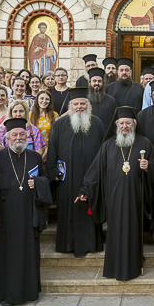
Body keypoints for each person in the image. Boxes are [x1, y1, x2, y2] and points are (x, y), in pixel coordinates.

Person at [78, 107, 154, 281]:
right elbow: (95, 171)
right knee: (115, 232)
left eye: (128, 123)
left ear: (134, 125)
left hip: (136, 198)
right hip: (113, 198)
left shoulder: (144, 143)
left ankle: (133, 266)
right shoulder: (108, 145)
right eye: (122, 123)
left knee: (133, 231)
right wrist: (85, 190)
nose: (125, 126)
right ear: (117, 125)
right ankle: (114, 267)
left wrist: (149, 167)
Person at [0, 118, 54, 306]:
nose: (18, 138)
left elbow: (46, 180)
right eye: (14, 135)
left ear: (27, 136)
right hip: (4, 217)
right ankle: (6, 294)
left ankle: (29, 292)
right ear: (7, 138)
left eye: (22, 134)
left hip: (28, 215)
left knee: (27, 255)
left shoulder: (34, 157)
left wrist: (37, 183)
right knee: (5, 256)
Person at [47, 87, 106, 257]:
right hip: (67, 179)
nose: (79, 107)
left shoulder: (97, 123)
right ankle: (67, 244)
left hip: (92, 178)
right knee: (68, 210)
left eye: (83, 103)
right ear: (70, 106)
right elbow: (53, 150)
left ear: (88, 105)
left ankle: (90, 243)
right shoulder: (59, 125)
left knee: (88, 210)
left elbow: (103, 150)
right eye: (76, 104)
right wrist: (53, 171)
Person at [86, 68, 117, 132]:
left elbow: (115, 121)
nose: (97, 83)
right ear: (89, 83)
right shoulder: (84, 101)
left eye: (99, 81)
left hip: (106, 136)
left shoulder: (111, 101)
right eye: (94, 81)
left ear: (103, 83)